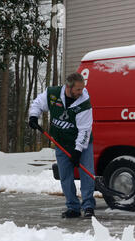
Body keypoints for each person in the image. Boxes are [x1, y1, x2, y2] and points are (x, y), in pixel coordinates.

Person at [28, 73, 96, 218]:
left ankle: (88, 206)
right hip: (61, 143)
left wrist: (78, 151)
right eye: (77, 89)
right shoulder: (53, 94)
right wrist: (34, 116)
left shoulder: (84, 102)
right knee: (65, 176)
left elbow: (85, 130)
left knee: (87, 175)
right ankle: (73, 207)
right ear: (68, 87)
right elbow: (38, 104)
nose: (80, 92)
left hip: (82, 143)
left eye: (82, 89)